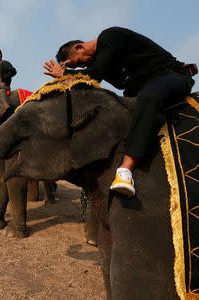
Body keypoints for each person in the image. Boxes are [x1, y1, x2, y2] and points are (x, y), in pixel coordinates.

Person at [43, 26, 196, 196]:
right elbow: (112, 83)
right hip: (141, 89)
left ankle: (126, 169)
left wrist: (66, 74)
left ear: (79, 47)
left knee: (148, 97)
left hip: (169, 77)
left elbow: (92, 76)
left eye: (79, 62)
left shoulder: (110, 35)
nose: (82, 65)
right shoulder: (100, 61)